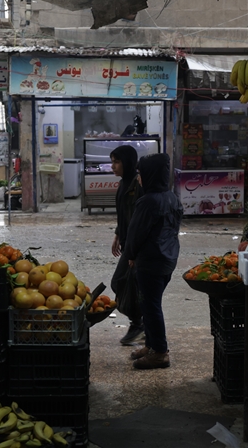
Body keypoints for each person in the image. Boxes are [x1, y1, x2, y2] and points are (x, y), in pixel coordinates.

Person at [122, 153, 183, 369]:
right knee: (149, 304)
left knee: (151, 306)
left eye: (141, 174)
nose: (138, 178)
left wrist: (130, 254)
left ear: (149, 175)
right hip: (167, 259)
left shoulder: (147, 202)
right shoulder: (172, 197)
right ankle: (151, 344)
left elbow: (135, 233)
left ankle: (159, 352)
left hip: (150, 261)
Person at [109, 145, 144, 345]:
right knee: (127, 284)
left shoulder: (136, 185)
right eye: (112, 161)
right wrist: (117, 234)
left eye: (117, 161)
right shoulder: (124, 184)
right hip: (128, 242)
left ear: (128, 162)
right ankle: (139, 323)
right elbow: (124, 215)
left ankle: (139, 324)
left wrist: (132, 252)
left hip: (136, 246)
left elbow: (138, 219)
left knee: (120, 283)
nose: (113, 166)